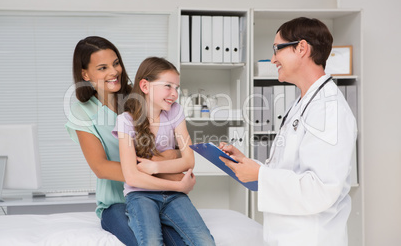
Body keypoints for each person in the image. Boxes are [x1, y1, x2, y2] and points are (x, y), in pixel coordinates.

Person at [219, 17, 357, 246]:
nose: (273, 59)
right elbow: (291, 170)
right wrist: (250, 165)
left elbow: (321, 189)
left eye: (277, 49)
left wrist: (260, 175)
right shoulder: (304, 103)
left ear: (302, 48)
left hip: (311, 238)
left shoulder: (328, 108)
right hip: (286, 236)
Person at [65, 36, 190, 246]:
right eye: (102, 68)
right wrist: (160, 168)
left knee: (184, 242)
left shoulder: (139, 96)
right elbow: (101, 167)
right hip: (117, 204)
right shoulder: (82, 112)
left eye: (116, 63)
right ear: (85, 74)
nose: (114, 72)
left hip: (159, 196)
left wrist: (170, 158)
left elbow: (176, 148)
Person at [112, 56, 215, 246]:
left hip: (173, 197)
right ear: (145, 86)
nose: (174, 93)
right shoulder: (125, 121)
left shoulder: (175, 112)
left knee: (205, 242)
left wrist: (153, 166)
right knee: (151, 242)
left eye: (176, 88)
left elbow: (189, 160)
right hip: (141, 195)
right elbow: (132, 177)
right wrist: (179, 185)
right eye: (168, 86)